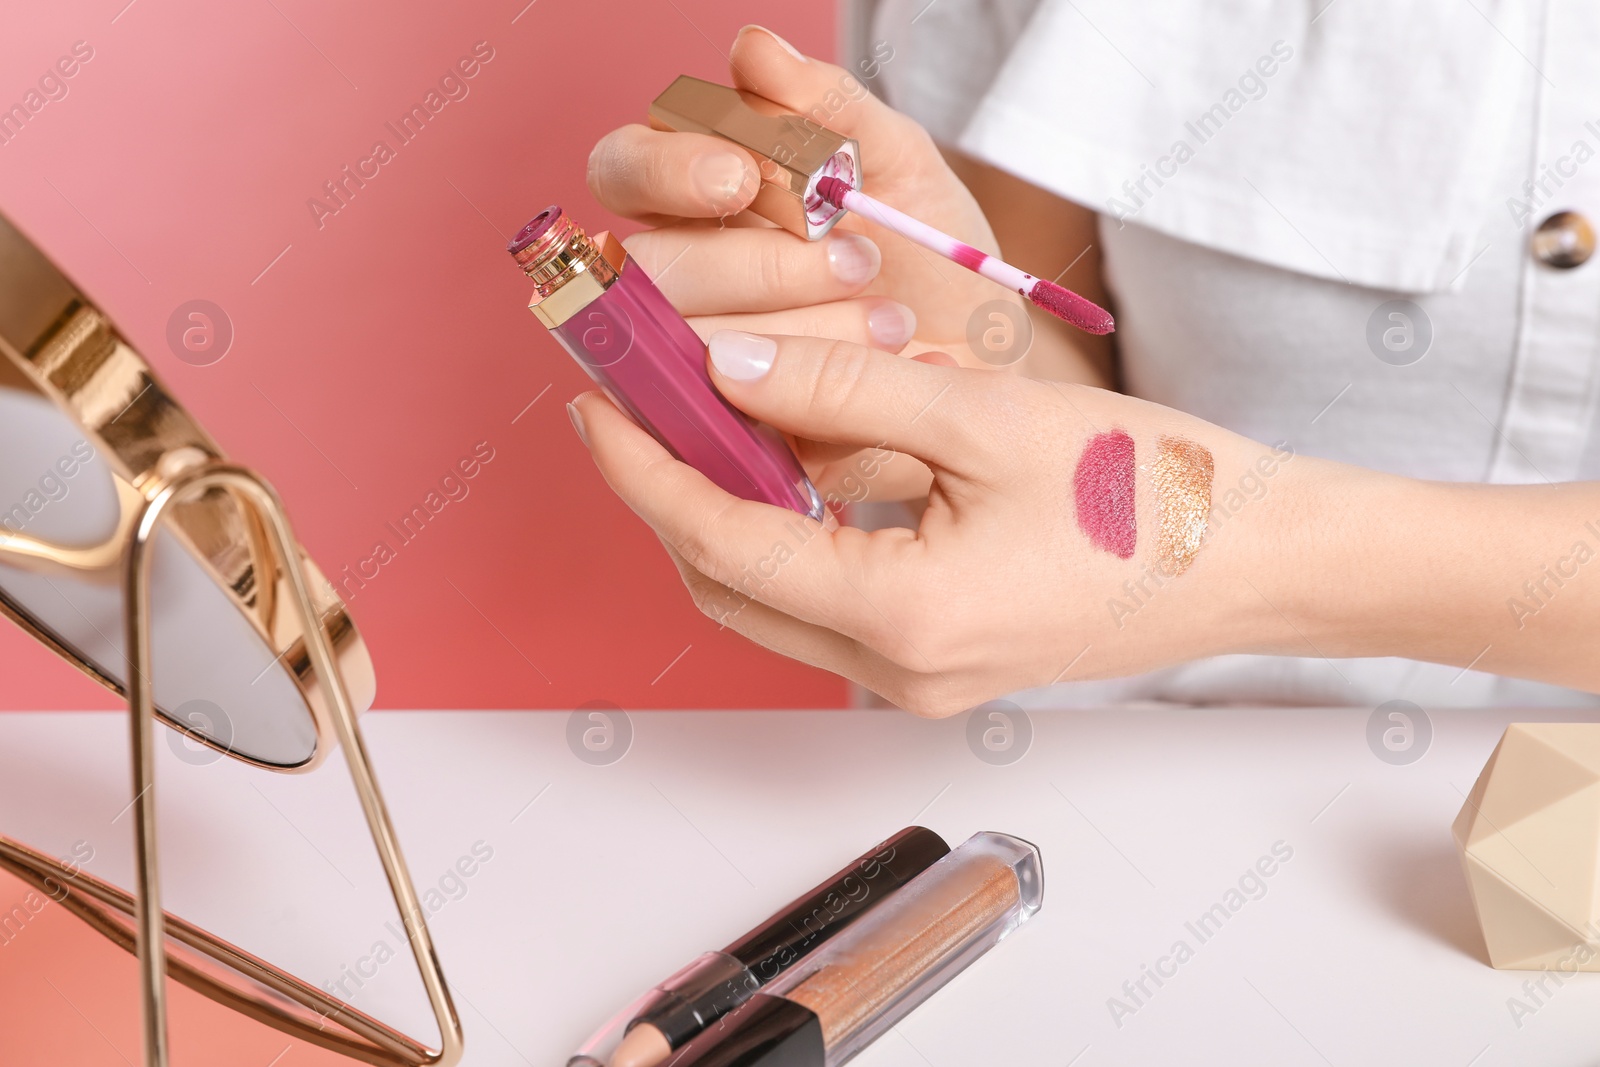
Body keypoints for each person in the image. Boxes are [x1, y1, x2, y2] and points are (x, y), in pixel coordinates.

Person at [568, 19, 1600, 715]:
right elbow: (1059, 381)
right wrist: (971, 360)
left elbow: (1171, 521)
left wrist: (1232, 548)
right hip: (1109, 790)